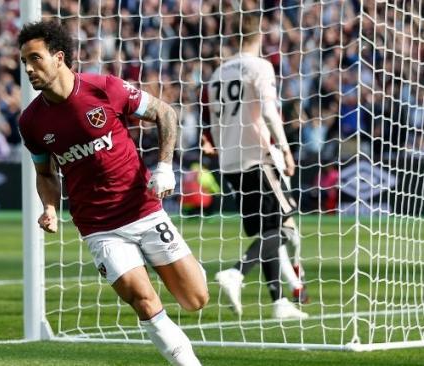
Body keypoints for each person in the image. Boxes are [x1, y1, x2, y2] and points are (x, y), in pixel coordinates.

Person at [18, 20, 208, 365]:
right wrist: (49, 206)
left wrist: (164, 167)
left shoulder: (103, 88)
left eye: (35, 58)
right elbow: (45, 173)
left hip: (143, 209)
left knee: (195, 298)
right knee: (144, 300)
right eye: (24, 62)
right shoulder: (30, 122)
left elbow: (165, 113)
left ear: (59, 57)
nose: (29, 69)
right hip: (98, 227)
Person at [202, 13, 308, 320]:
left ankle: (279, 302)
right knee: (283, 229)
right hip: (258, 157)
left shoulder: (217, 74)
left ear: (233, 39)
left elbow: (214, 123)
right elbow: (270, 112)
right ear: (258, 37)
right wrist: (286, 151)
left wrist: (223, 158)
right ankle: (236, 273)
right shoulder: (260, 66)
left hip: (231, 160)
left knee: (266, 231)